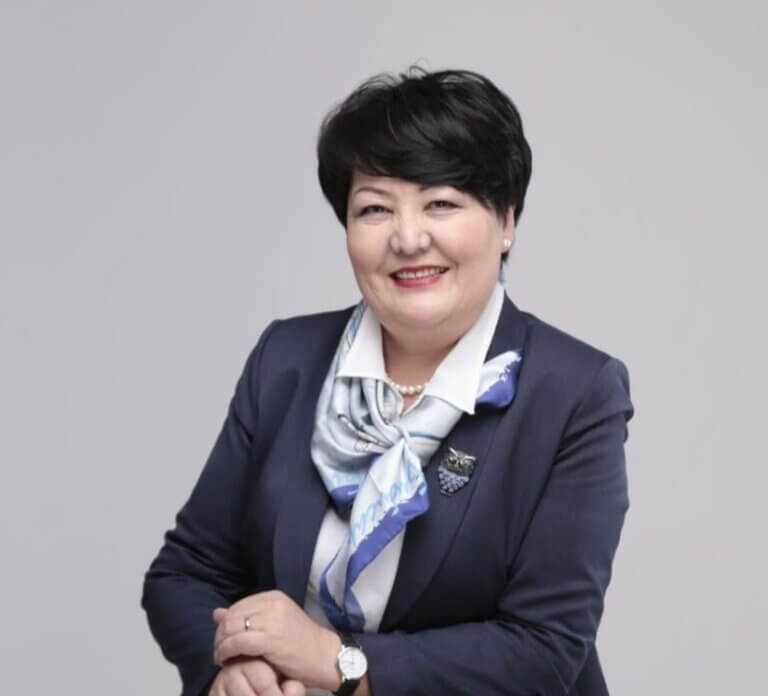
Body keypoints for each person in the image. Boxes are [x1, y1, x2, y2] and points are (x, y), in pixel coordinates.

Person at [142, 67, 634, 696]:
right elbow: (186, 572)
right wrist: (235, 667)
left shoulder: (575, 391)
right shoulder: (288, 359)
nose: (407, 237)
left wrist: (337, 660)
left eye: (441, 203)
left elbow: (544, 650)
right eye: (374, 208)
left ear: (507, 219)